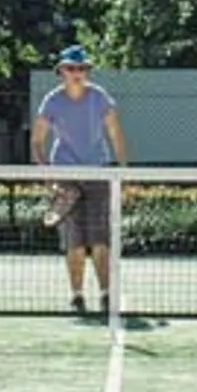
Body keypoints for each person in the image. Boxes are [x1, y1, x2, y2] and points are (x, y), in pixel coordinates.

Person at [30, 45, 129, 315]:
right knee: (74, 244)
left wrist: (122, 172)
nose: (77, 73)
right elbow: (37, 142)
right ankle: (76, 296)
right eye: (72, 68)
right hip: (66, 177)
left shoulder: (100, 98)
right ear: (61, 71)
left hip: (98, 174)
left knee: (100, 241)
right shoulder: (52, 101)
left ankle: (107, 295)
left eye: (82, 68)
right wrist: (50, 178)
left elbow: (115, 132)